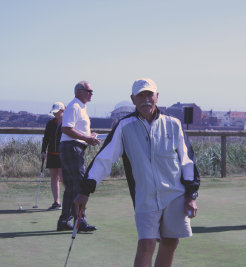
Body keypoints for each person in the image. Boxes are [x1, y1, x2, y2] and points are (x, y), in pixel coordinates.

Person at [74, 78, 200, 266]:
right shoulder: (124, 126)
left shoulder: (173, 124)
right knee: (146, 245)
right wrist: (85, 190)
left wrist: (191, 195)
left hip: (175, 195)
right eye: (141, 95)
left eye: (149, 94)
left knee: (171, 242)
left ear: (157, 97)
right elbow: (104, 160)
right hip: (145, 196)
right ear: (133, 99)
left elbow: (187, 161)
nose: (146, 99)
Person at [57, 81, 100, 232]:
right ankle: (80, 221)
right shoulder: (74, 106)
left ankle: (64, 221)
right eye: (88, 91)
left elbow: (75, 129)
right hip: (71, 148)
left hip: (73, 148)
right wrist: (87, 138)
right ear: (79, 91)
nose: (91, 94)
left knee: (71, 188)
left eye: (91, 91)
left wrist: (90, 136)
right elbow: (66, 128)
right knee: (80, 185)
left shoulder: (81, 107)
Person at [41, 102, 65, 210]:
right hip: (51, 154)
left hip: (63, 155)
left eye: (57, 112)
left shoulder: (68, 123)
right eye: (54, 112)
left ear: (62, 111)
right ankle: (56, 202)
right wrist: (43, 151)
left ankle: (72, 200)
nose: (55, 114)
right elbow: (46, 138)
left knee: (64, 179)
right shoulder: (50, 123)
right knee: (54, 178)